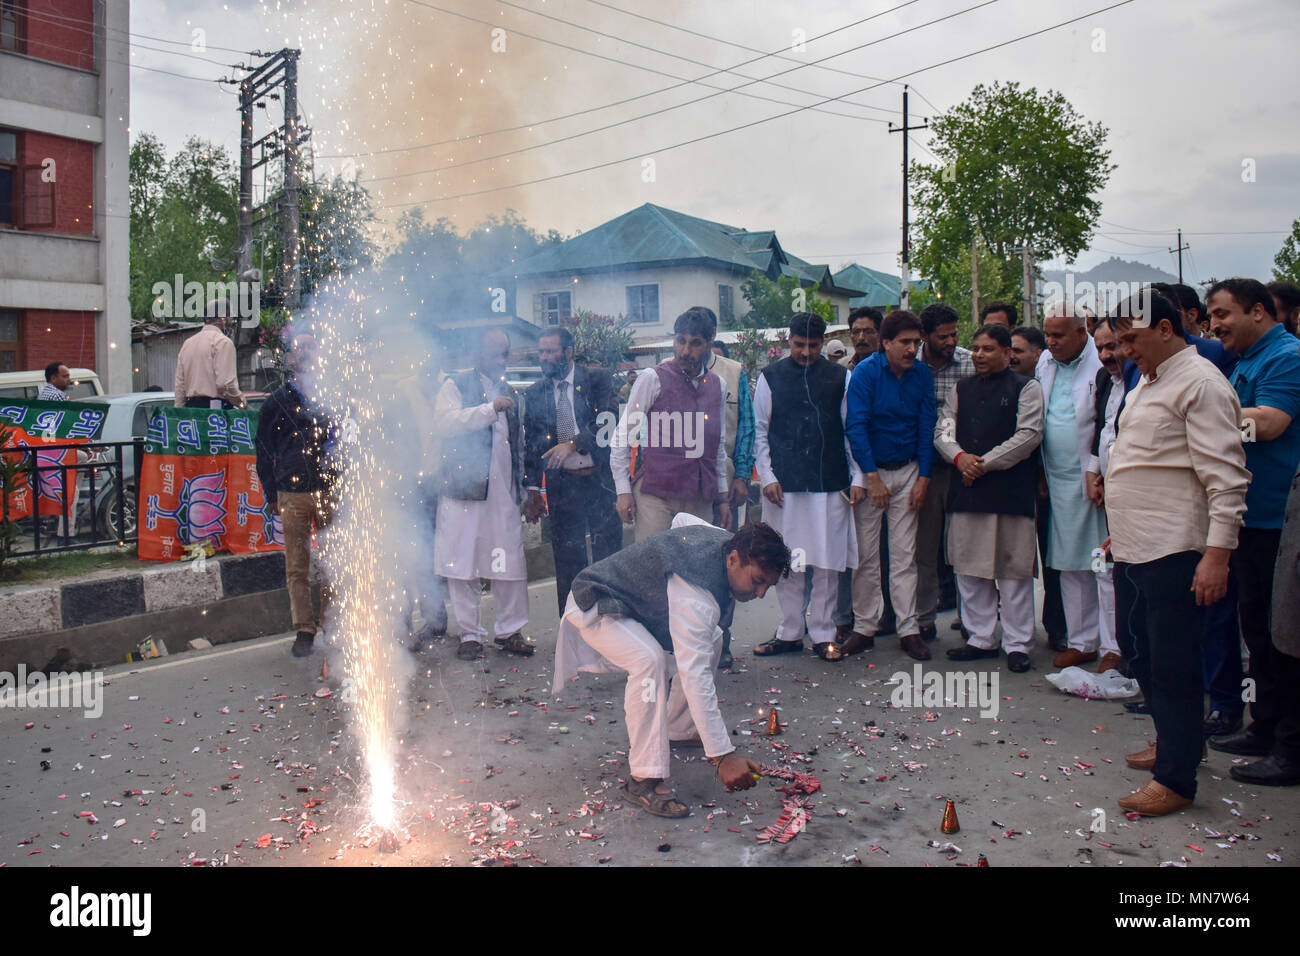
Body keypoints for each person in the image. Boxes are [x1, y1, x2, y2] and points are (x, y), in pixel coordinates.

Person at [1105, 290, 1249, 815]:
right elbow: (1146, 463)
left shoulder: (1202, 384)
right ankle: (1174, 741)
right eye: (1119, 341)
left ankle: (1176, 780)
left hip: (1178, 550)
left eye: (1132, 339)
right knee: (1139, 650)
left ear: (1166, 329)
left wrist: (1217, 555)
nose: (1124, 350)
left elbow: (1226, 478)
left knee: (1173, 663)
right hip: (1136, 546)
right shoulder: (1148, 381)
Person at [553, 514, 781, 817]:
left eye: (768, 585)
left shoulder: (723, 539)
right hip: (597, 600)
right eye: (757, 581)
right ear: (734, 559)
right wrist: (724, 756)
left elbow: (681, 520)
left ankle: (680, 727)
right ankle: (643, 780)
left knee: (711, 638)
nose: (761, 593)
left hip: (631, 607)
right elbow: (694, 674)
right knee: (648, 661)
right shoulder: (697, 596)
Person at [1205, 278, 1300, 786]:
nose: (1214, 325)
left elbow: (1270, 423)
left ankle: (1291, 747)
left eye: (1222, 314)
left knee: (1284, 638)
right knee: (1258, 636)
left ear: (1259, 312)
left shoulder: (1286, 356)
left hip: (1278, 522)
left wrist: (1205, 419)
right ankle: (1263, 727)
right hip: (1248, 518)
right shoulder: (1243, 359)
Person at [752, 313, 864, 662]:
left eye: (813, 346)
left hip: (830, 483)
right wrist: (767, 476)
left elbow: (852, 430)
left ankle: (824, 634)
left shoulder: (840, 377)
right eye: (799, 345)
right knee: (789, 562)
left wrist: (858, 477)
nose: (805, 352)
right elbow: (759, 431)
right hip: (784, 487)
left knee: (827, 564)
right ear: (789, 341)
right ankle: (788, 632)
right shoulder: (770, 378)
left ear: (822, 343)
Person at [935, 324, 1044, 672]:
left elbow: (1029, 435)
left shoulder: (1027, 388)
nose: (980, 355)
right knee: (970, 569)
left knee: (1012, 570)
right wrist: (960, 458)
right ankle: (980, 638)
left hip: (1010, 491)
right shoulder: (960, 389)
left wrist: (984, 464)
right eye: (977, 349)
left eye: (988, 349)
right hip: (966, 489)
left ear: (1006, 352)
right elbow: (943, 430)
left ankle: (1018, 643)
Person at [433, 329, 535, 661]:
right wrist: (489, 409)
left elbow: (520, 444)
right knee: (462, 565)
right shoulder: (454, 386)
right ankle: (470, 636)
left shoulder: (513, 391)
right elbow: (445, 424)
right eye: (495, 353)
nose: (501, 360)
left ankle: (510, 631)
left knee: (509, 563)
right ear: (478, 353)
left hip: (503, 494)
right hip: (464, 493)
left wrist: (525, 487)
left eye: (505, 353)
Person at [844, 310, 936, 661]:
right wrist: (871, 477)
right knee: (866, 555)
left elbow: (927, 425)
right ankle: (864, 627)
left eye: (916, 342)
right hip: (872, 474)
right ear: (886, 343)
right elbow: (856, 426)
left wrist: (924, 477)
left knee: (904, 556)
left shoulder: (921, 375)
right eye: (905, 342)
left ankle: (908, 629)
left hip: (910, 470)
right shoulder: (866, 373)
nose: (912, 349)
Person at [523, 327, 624, 616]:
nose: (544, 357)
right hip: (562, 487)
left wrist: (572, 444)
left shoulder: (597, 379)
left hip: (599, 483)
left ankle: (612, 621)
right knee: (568, 561)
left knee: (608, 556)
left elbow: (608, 422)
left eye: (550, 351)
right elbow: (532, 444)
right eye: (541, 351)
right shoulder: (535, 393)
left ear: (568, 352)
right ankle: (574, 627)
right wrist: (532, 490)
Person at [1037, 301, 1115, 669]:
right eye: (1047, 334)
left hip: (1094, 479)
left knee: (1102, 564)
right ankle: (1082, 641)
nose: (1050, 342)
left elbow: (1105, 422)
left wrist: (1097, 468)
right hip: (1057, 479)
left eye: (1057, 335)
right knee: (1069, 564)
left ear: (1081, 333)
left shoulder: (1102, 363)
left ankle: (1112, 646)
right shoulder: (1044, 362)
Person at [610, 308, 730, 541]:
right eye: (680, 341)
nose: (685, 351)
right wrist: (623, 491)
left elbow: (718, 445)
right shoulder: (651, 378)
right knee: (652, 567)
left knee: (694, 569)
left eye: (695, 343)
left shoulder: (719, 385)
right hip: (655, 494)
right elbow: (623, 436)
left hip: (699, 496)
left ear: (709, 343)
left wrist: (722, 498)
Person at [254, 333, 336, 658]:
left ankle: (332, 624)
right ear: (289, 359)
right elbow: (262, 450)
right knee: (297, 566)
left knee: (334, 562)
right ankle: (304, 629)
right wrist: (270, 491)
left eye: (312, 348)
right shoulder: (276, 402)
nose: (307, 355)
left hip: (329, 489)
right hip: (291, 492)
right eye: (300, 350)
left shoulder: (332, 395)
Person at [835, 305, 895, 644]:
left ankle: (896, 616)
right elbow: (848, 427)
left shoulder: (896, 369)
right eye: (855, 332)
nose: (860, 337)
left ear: (881, 335)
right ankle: (859, 619)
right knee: (860, 551)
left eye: (868, 331)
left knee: (895, 551)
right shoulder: (844, 372)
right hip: (857, 472)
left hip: (895, 468)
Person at [701, 307, 755, 670]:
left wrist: (742, 477)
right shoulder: (668, 372)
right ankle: (687, 642)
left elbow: (747, 428)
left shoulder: (734, 373)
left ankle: (722, 641)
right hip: (686, 483)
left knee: (726, 561)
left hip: (727, 479)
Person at [915, 303, 973, 642]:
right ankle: (924, 619)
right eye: (943, 336)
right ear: (924, 337)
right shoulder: (911, 363)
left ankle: (972, 620)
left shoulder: (967, 363)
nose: (951, 341)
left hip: (961, 467)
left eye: (954, 334)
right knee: (925, 550)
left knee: (964, 548)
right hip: (925, 471)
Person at [1083, 321, 1128, 673]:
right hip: (1103, 492)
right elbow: (1102, 427)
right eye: (1099, 348)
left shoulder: (1143, 381)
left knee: (1128, 575)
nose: (1106, 355)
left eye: (1112, 346)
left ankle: (1127, 649)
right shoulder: (1103, 380)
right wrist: (1094, 471)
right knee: (1102, 565)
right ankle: (1110, 645)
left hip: (1136, 496)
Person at [174, 300, 245, 409]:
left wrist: (179, 413)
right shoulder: (223, 342)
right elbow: (225, 384)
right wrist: (242, 403)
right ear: (222, 318)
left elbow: (180, 387)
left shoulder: (188, 344)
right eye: (230, 317)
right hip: (215, 411)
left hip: (191, 410)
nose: (231, 321)